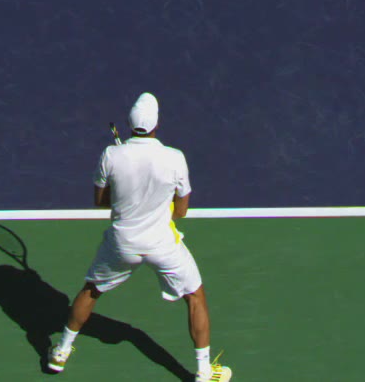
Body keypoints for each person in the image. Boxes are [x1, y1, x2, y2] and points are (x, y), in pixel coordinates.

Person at [47, 93, 232, 382]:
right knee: (195, 297)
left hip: (122, 245)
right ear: (157, 124)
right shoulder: (175, 158)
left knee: (91, 290)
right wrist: (159, 207)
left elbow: (101, 201)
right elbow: (181, 211)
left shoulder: (111, 155)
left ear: (130, 124)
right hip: (162, 244)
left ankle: (60, 352)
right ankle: (204, 372)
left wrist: (126, 195)